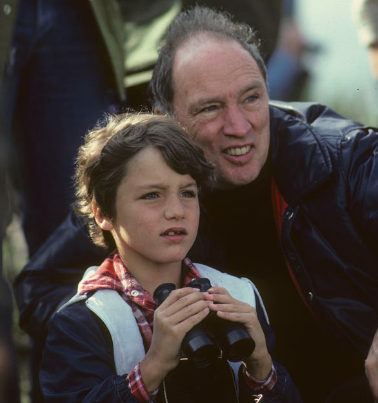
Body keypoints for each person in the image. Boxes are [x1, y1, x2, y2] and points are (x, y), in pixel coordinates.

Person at [14, 5, 378, 402]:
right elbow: (42, 285)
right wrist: (130, 327)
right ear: (163, 119)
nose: (239, 126)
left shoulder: (346, 156)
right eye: (210, 107)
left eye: (252, 98)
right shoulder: (139, 185)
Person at [39, 112, 302, 402]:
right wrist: (153, 368)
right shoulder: (80, 322)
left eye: (188, 193)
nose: (176, 210)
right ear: (103, 213)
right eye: (152, 195)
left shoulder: (240, 295)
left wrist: (263, 369)